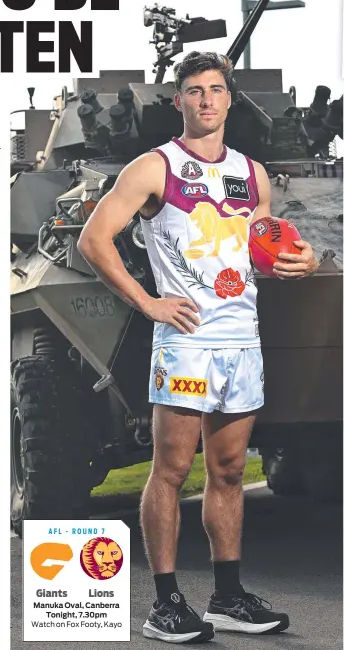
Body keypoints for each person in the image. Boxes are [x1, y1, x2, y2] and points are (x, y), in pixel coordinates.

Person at [78, 51, 319, 644]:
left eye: (216, 89)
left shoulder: (253, 174)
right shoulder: (154, 168)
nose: (206, 100)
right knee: (171, 469)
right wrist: (148, 302)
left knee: (231, 470)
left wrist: (300, 260)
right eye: (194, 91)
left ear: (230, 99)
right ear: (180, 100)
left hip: (243, 341)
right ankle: (165, 605)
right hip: (187, 342)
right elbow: (93, 239)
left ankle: (228, 599)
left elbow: (265, 246)